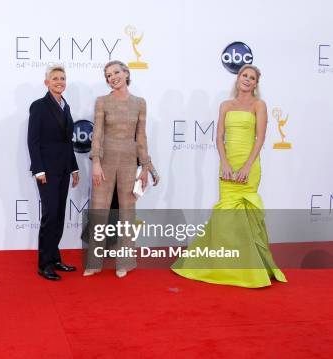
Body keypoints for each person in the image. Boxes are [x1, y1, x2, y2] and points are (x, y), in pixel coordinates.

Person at [171, 64, 287, 288]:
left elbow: (260, 139)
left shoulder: (259, 105)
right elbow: (219, 137)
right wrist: (224, 162)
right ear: (238, 79)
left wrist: (246, 167)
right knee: (226, 216)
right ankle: (225, 265)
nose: (247, 80)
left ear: (256, 83)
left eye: (252, 78)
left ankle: (252, 268)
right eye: (244, 75)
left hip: (249, 165)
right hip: (227, 165)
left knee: (247, 216)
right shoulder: (226, 105)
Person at [84, 60, 159, 278]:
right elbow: (97, 134)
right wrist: (95, 162)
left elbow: (141, 137)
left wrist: (145, 166)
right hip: (105, 161)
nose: (112, 77)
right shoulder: (102, 102)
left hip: (129, 160)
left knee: (127, 212)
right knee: (99, 211)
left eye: (116, 72)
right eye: (108, 75)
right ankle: (93, 263)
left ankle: (124, 262)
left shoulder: (140, 103)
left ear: (126, 73)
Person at [27, 64, 80, 281]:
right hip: (46, 172)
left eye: (63, 78)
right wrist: (39, 169)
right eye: (55, 78)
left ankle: (55, 258)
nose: (60, 81)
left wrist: (74, 167)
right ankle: (44, 264)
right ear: (46, 82)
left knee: (58, 216)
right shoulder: (38, 106)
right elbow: (33, 141)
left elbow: (68, 142)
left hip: (64, 170)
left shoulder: (65, 106)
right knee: (50, 216)